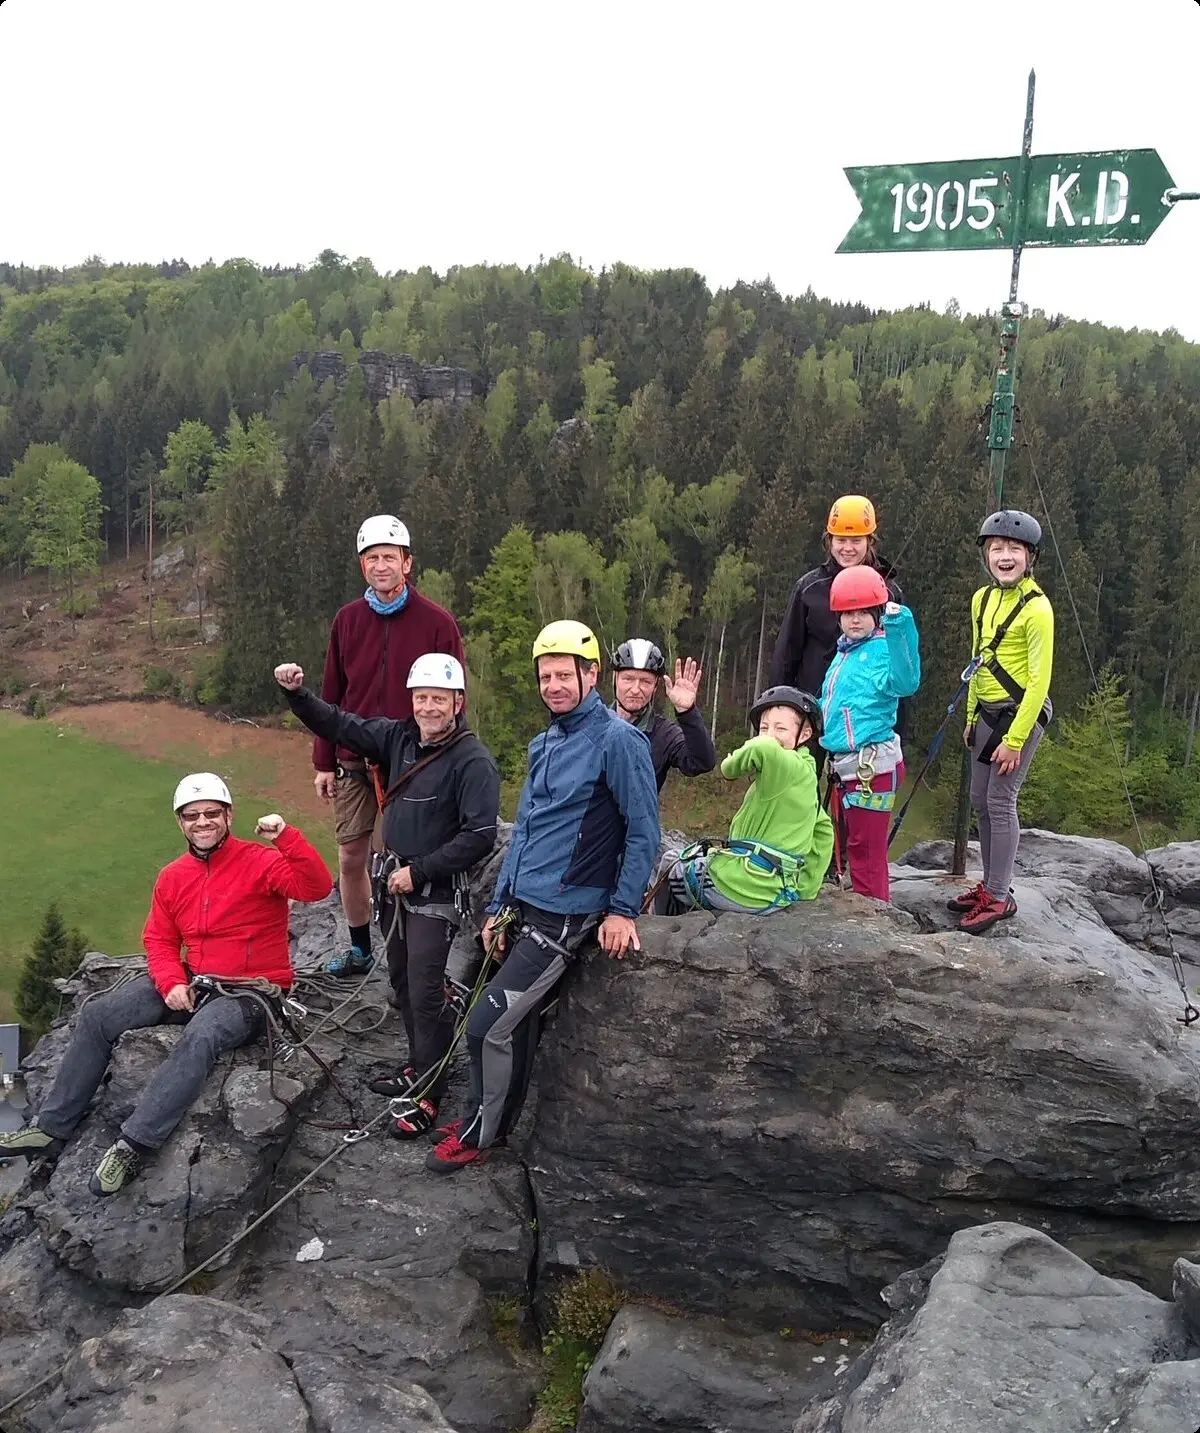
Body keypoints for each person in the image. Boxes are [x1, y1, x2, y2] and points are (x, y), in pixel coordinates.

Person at [0, 774, 332, 1196]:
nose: (203, 822)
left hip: (253, 990)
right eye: (192, 816)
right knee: (99, 1015)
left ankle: (134, 1143)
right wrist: (173, 981)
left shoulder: (261, 862)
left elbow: (317, 887)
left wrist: (285, 836)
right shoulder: (174, 877)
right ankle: (51, 1127)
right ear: (181, 823)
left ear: (229, 816)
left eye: (212, 813)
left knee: (203, 1032)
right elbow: (158, 939)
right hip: (196, 979)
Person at [425, 620, 660, 1175]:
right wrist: (498, 905)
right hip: (526, 904)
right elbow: (527, 830)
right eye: (545, 676)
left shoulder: (619, 742)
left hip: (568, 914)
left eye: (564, 675)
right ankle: (489, 1115)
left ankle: (484, 1135)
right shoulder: (546, 742)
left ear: (591, 675)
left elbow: (644, 831)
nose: (554, 685)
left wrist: (622, 909)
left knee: (487, 1023)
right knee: (515, 1023)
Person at [274, 652, 500, 1138]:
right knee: (401, 981)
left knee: (423, 990)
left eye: (439, 698)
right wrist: (297, 695)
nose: (429, 708)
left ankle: (430, 1091)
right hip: (393, 884)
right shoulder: (398, 738)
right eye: (422, 698)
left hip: (431, 891)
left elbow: (479, 834)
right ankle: (420, 1064)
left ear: (458, 702)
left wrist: (419, 873)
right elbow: (340, 724)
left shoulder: (472, 760)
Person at [315, 514, 466, 978]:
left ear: (407, 563)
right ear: (363, 566)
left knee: (399, 855)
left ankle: (410, 954)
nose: (381, 566)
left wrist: (450, 760)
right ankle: (362, 948)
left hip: (412, 761)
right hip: (355, 760)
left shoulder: (436, 623)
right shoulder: (348, 621)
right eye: (372, 558)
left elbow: (455, 695)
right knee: (350, 856)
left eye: (389, 557)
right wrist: (324, 760)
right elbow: (331, 695)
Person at [948, 510, 1053, 934]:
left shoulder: (1038, 609)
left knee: (1000, 801)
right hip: (987, 712)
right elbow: (978, 662)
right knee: (979, 800)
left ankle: (999, 894)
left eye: (1014, 550)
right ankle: (990, 885)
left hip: (1021, 715)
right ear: (986, 555)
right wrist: (972, 715)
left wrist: (1015, 738)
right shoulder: (982, 599)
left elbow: (1038, 680)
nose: (1004, 556)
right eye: (997, 549)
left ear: (1030, 558)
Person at [661, 687, 834, 913]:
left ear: (804, 734)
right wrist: (805, 891)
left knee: (670, 861)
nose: (770, 734)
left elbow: (764, 746)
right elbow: (824, 833)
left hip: (745, 885)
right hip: (777, 891)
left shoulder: (784, 763)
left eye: (780, 728)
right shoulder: (808, 778)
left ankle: (656, 934)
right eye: (764, 728)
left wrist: (729, 767)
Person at [768, 495, 906, 747]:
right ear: (829, 540)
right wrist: (777, 706)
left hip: (865, 718)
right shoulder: (809, 588)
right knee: (799, 782)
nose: (847, 548)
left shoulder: (888, 592)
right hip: (810, 710)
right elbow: (787, 651)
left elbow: (899, 659)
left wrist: (899, 728)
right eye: (840, 540)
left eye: (856, 541)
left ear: (870, 541)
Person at [819, 567, 921, 903]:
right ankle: (869, 915)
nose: (856, 619)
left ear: (878, 614)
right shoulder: (844, 652)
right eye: (849, 612)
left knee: (866, 853)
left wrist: (900, 627)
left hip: (870, 767)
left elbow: (906, 682)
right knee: (857, 847)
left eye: (864, 612)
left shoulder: (880, 650)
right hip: (848, 766)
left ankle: (875, 920)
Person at [610, 639, 717, 790]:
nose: (635, 689)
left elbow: (702, 762)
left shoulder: (664, 733)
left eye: (645, 682)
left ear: (655, 687)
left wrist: (687, 712)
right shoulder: (593, 723)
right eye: (628, 679)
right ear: (615, 679)